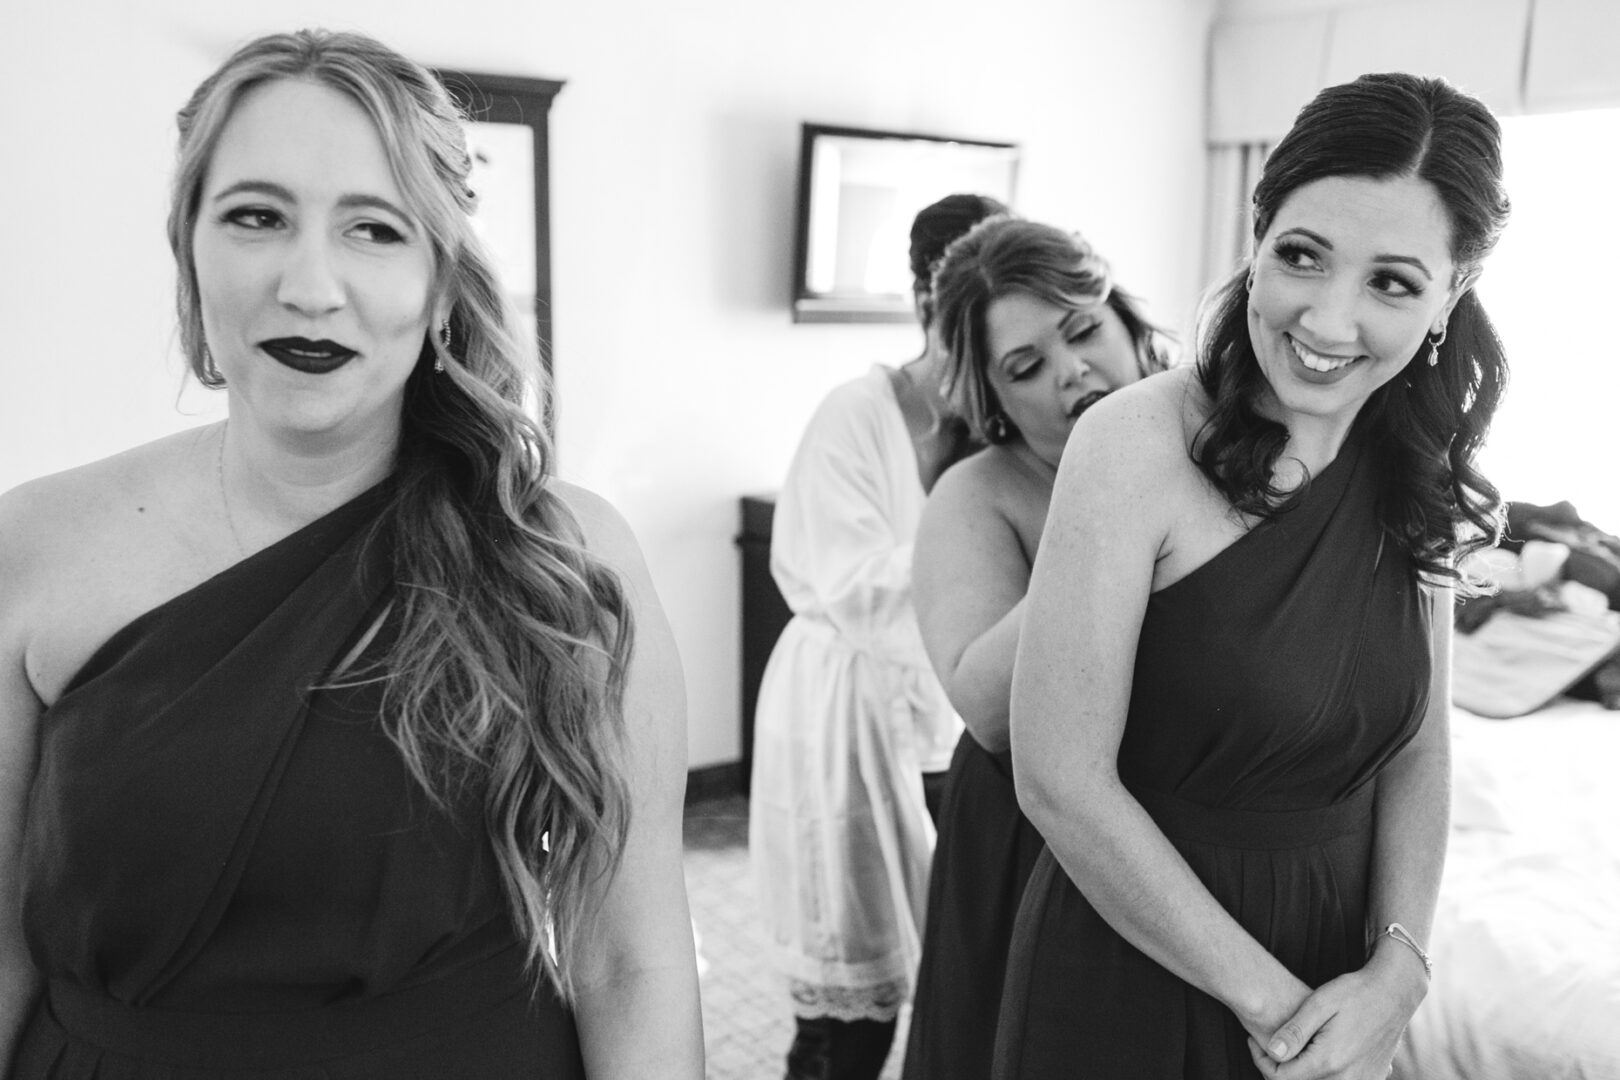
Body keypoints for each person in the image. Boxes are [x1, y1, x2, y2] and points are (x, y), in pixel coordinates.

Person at [0, 29, 702, 1079]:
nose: (311, 285)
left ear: (438, 273)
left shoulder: (561, 557)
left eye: (374, 229)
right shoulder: (35, 545)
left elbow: (627, 962)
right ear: (188, 242)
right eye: (256, 217)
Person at [994, 71, 1509, 1080]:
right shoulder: (1132, 445)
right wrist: (1283, 1015)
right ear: (1257, 235)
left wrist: (1400, 969)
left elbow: (1418, 748)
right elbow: (1059, 780)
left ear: (1450, 296)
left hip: (1338, 969)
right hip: (1132, 969)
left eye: (1392, 283)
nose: (1326, 320)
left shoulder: (1416, 465)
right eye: (1303, 257)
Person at [901, 217, 1170, 1080]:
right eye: (1026, 366)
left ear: (1128, 325)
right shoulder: (977, 495)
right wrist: (1107, 505)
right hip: (1029, 841)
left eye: (1084, 330)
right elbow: (985, 707)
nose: (1071, 373)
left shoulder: (1221, 439)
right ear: (994, 401)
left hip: (1189, 816)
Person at [748, 192, 1005, 1080]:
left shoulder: (1006, 427)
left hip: (956, 717)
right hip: (844, 712)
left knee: (958, 961)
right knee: (849, 992)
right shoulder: (854, 415)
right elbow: (856, 590)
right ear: (927, 301)